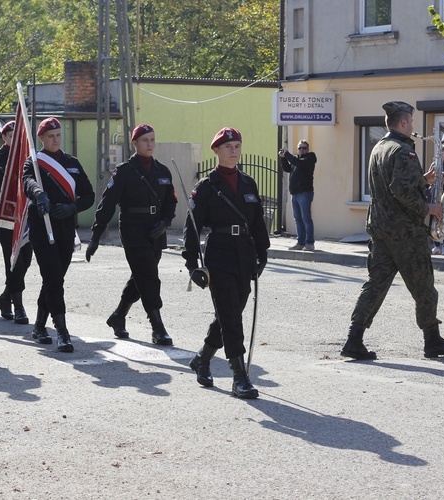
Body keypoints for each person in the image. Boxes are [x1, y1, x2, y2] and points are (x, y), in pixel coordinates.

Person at [340, 101, 444, 360]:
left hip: (381, 229)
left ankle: (354, 339)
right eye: (412, 122)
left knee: (375, 286)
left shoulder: (380, 147)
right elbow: (401, 191)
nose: (414, 127)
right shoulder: (404, 151)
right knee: (424, 288)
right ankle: (432, 340)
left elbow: (391, 185)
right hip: (405, 233)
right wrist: (429, 207)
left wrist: (424, 180)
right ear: (404, 122)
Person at [183, 127, 270, 399]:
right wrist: (191, 265)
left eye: (237, 146)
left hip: (244, 253)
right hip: (219, 254)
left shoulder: (248, 183)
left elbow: (256, 222)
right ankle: (239, 376)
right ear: (217, 151)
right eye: (228, 147)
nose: (234, 151)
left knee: (232, 311)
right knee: (231, 316)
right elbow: (192, 228)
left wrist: (263, 252)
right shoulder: (206, 187)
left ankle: (202, 358)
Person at [85, 124, 177, 345]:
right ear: (134, 143)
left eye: (153, 140)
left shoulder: (162, 170)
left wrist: (165, 222)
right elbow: (107, 204)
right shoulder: (125, 171)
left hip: (156, 229)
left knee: (141, 276)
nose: (150, 144)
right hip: (133, 227)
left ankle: (118, 316)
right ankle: (157, 327)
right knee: (149, 276)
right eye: (145, 140)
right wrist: (96, 235)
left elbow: (170, 202)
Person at [23, 117, 94, 352]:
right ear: (41, 138)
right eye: (50, 136)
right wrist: (38, 194)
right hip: (42, 228)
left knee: (55, 279)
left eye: (58, 135)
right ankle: (62, 332)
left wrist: (72, 208)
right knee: (53, 277)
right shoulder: (34, 162)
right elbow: (28, 182)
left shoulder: (72, 163)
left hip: (65, 229)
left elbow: (88, 195)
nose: (55, 140)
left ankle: (39, 326)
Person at [0, 121, 32, 324]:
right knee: (14, 260)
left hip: (27, 216)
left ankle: (5, 297)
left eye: (19, 136)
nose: (15, 139)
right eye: (11, 135)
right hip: (6, 218)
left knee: (26, 259)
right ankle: (17, 305)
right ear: (4, 137)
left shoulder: (30, 157)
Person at [279, 140, 316, 251]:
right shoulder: (296, 160)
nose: (302, 150)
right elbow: (287, 168)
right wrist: (282, 157)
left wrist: (287, 154)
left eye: (304, 148)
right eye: (300, 148)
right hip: (294, 194)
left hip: (305, 193)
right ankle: (300, 242)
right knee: (298, 219)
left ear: (307, 149)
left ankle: (309, 243)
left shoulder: (310, 158)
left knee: (306, 218)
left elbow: (299, 163)